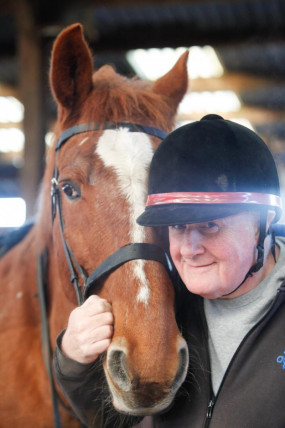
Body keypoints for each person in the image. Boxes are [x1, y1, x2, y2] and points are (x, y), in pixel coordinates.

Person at [54, 114, 285, 427]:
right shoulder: (166, 302)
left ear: (266, 220)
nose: (189, 250)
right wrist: (73, 359)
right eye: (176, 226)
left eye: (210, 225)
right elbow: (112, 422)